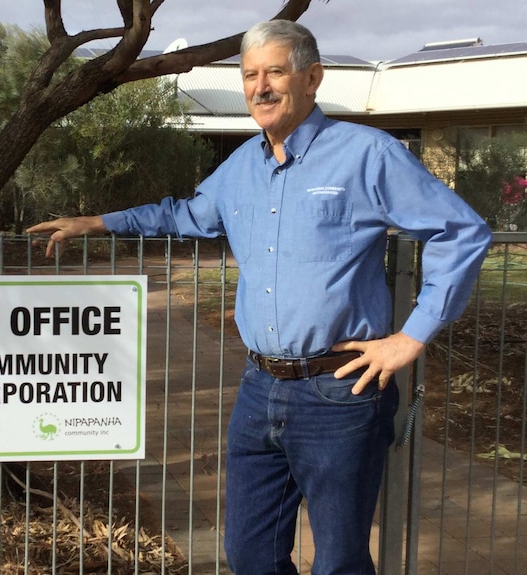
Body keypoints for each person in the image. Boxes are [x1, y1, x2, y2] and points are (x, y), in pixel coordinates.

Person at [27, 19, 491, 575]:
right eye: (250, 75)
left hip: (340, 392)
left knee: (339, 560)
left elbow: (461, 232)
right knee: (249, 553)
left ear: (312, 77)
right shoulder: (242, 164)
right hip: (258, 390)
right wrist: (98, 222)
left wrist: (410, 337)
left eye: (275, 71)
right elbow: (186, 214)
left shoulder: (368, 153)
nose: (260, 87)